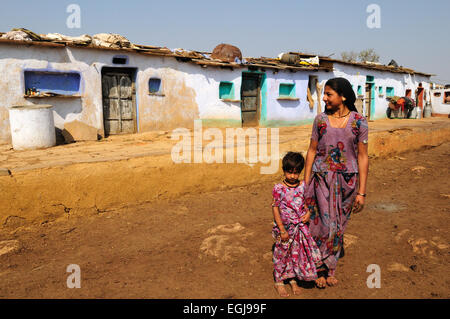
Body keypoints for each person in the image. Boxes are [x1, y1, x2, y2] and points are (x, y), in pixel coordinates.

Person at [304, 77, 369, 288]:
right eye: (324, 93)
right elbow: (312, 150)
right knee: (322, 225)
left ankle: (330, 267)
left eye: (328, 94)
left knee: (338, 226)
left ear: (343, 97)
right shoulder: (320, 120)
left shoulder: (359, 121)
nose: (324, 98)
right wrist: (305, 185)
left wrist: (362, 192)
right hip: (322, 178)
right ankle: (320, 270)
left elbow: (362, 156)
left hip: (348, 183)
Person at [272, 152, 322, 297]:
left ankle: (292, 278)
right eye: (289, 172)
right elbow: (275, 207)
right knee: (282, 253)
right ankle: (280, 281)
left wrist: (308, 213)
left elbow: (306, 204)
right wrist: (281, 229)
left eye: (296, 173)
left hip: (300, 228)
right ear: (284, 170)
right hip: (285, 228)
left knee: (296, 253)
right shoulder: (278, 188)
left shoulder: (302, 186)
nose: (292, 176)